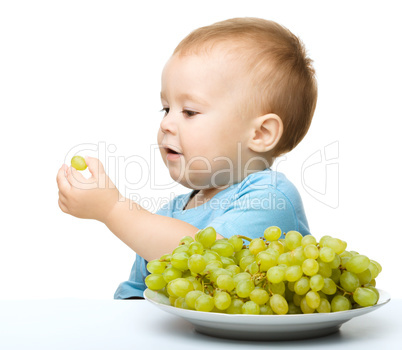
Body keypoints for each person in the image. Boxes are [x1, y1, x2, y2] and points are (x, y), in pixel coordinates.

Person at [56, 17, 317, 299]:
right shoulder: (171, 213)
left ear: (261, 133)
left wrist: (113, 210)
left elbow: (210, 261)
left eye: (189, 112)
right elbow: (138, 294)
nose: (166, 124)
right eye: (166, 108)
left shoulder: (270, 197)